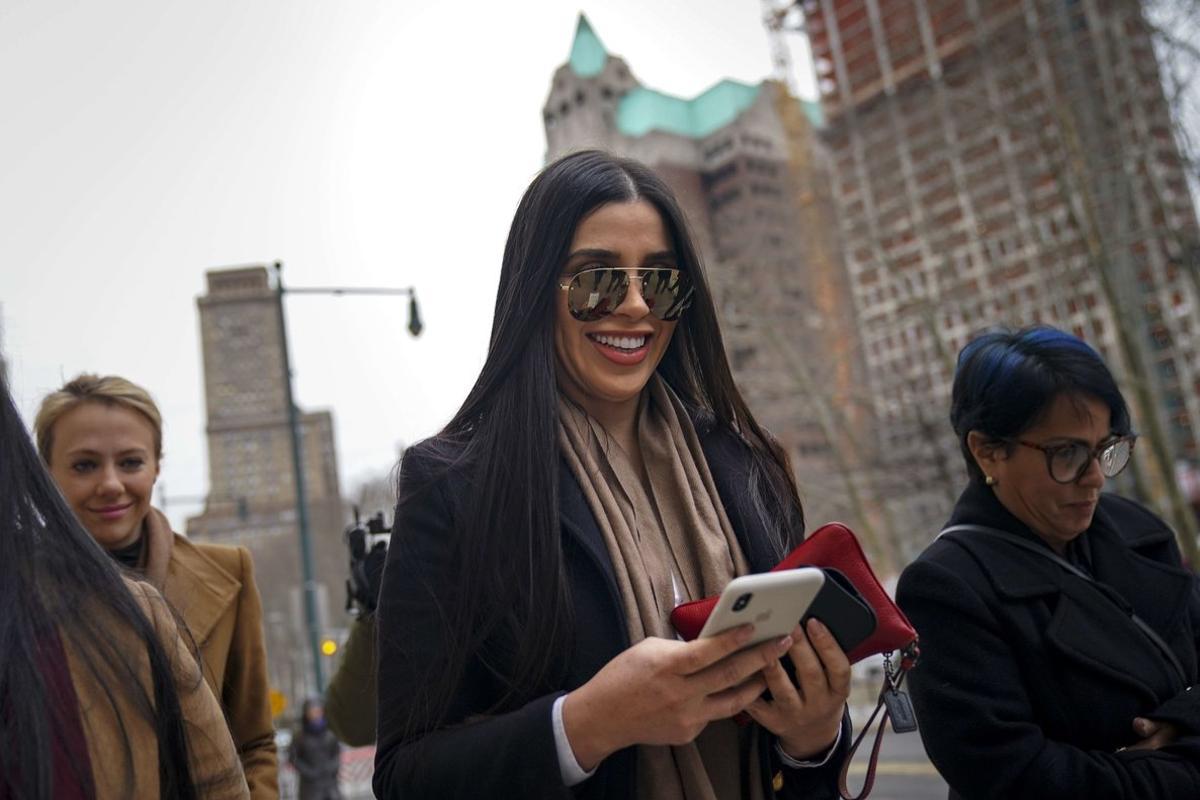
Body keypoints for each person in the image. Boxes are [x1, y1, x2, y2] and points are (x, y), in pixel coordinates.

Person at [373, 150, 851, 799]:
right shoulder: (451, 489)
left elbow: (805, 759)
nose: (633, 307)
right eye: (595, 279)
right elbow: (406, 776)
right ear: (538, 290)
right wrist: (584, 727)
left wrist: (815, 737)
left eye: (660, 281)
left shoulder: (750, 464)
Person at [896, 326, 1200, 798]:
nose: (1095, 477)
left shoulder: (1136, 531)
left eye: (1105, 448)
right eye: (1068, 453)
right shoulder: (947, 588)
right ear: (988, 452)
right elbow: (1013, 777)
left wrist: (1180, 731)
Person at [0, 372, 249, 799]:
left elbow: (247, 749)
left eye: (131, 462)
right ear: (45, 474)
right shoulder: (25, 598)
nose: (111, 484)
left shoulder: (223, 573)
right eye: (84, 465)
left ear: (157, 466)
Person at [288, 699, 344, 800]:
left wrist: (331, 767)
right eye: (313, 711)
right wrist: (308, 772)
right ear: (306, 714)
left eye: (318, 711)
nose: (316, 714)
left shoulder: (330, 734)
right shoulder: (299, 736)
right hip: (310, 789)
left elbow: (337, 753)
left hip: (330, 787)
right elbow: (293, 758)